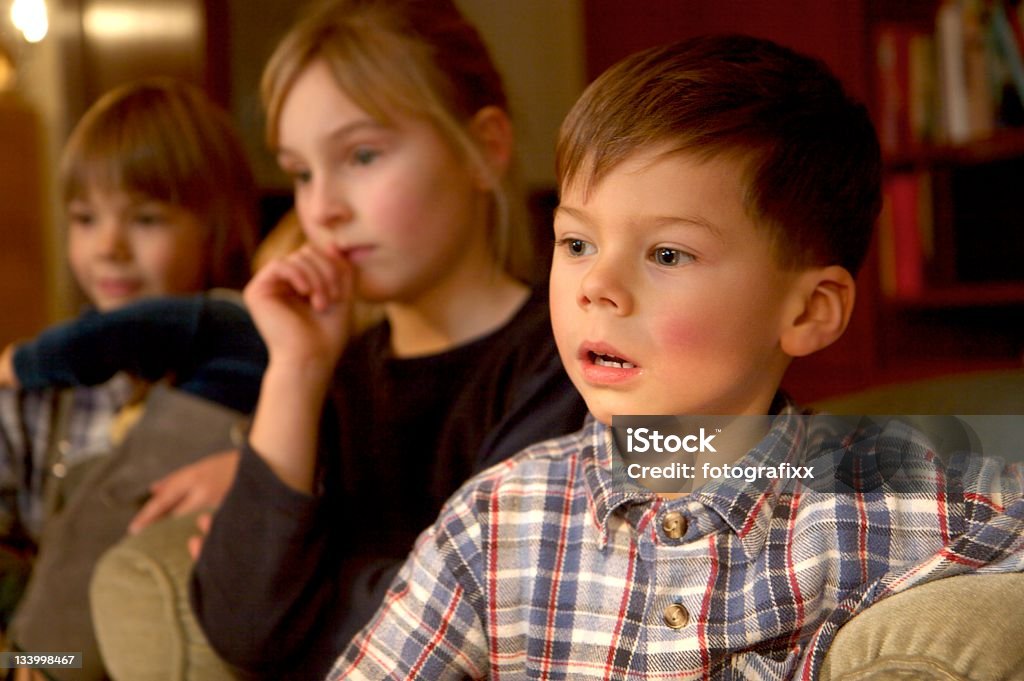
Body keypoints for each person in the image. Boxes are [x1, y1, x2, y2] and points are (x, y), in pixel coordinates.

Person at [330, 35, 1024, 679]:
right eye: (577, 243)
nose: (597, 286)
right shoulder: (498, 520)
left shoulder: (884, 498)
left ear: (809, 311)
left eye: (667, 253)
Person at [188, 1, 587, 679]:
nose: (321, 208)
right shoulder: (332, 375)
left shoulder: (562, 364)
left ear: (484, 149)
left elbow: (487, 627)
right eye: (301, 171)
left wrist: (314, 594)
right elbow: (243, 624)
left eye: (362, 155)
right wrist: (296, 369)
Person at [0, 78, 259, 678]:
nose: (109, 247)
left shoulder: (255, 357)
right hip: (52, 652)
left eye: (145, 219)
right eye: (85, 219)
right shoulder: (44, 397)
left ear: (217, 225)